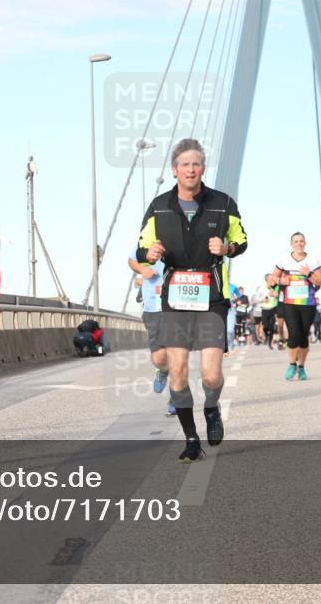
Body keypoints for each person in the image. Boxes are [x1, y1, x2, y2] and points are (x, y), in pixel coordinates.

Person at [136, 138, 247, 463]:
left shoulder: (223, 203)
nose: (190, 169)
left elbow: (241, 240)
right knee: (179, 371)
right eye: (184, 164)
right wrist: (150, 253)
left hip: (211, 297)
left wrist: (226, 249)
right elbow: (142, 246)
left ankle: (211, 408)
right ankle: (190, 438)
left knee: (211, 375)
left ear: (203, 169)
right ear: (175, 170)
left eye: (196, 164)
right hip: (175, 297)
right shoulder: (159, 206)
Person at [268, 232, 321, 381]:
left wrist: (309, 273)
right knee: (294, 333)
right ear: (291, 244)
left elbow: (320, 282)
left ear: (305, 243)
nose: (299, 244)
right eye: (296, 241)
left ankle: (302, 367)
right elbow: (272, 278)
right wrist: (281, 281)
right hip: (290, 303)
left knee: (304, 336)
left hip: (308, 303)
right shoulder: (284, 259)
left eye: (301, 241)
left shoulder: (313, 260)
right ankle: (292, 364)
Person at [128, 254, 175, 416]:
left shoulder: (185, 243)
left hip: (178, 307)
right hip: (153, 309)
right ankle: (162, 370)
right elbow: (132, 263)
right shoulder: (147, 244)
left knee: (178, 354)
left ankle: (175, 399)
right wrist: (143, 271)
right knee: (160, 358)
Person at [253, 274, 280, 349]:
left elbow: (281, 295)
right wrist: (262, 300)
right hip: (264, 309)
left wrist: (276, 295)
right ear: (267, 280)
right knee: (265, 326)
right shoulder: (261, 288)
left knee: (272, 326)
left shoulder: (276, 287)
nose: (273, 280)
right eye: (271, 279)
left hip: (274, 308)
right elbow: (256, 299)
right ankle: (267, 336)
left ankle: (270, 343)